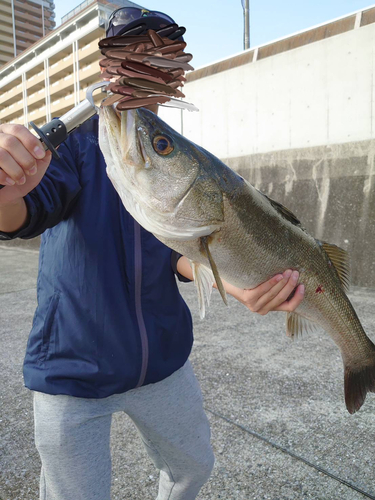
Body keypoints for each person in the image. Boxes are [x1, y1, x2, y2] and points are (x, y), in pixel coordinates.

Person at [0, 7, 305, 500]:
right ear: (107, 68)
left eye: (161, 59)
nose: (148, 70)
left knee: (193, 468)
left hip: (164, 361)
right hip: (71, 370)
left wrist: (240, 287)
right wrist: (6, 194)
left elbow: (177, 254)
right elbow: (26, 213)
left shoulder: (176, 154)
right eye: (133, 56)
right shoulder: (71, 144)